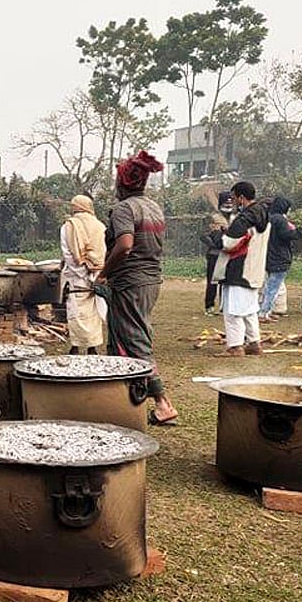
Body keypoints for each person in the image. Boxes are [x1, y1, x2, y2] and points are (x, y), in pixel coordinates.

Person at [101, 151, 179, 426]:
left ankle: (163, 403)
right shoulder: (154, 207)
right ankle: (121, 396)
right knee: (133, 333)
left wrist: (103, 274)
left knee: (134, 339)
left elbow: (124, 245)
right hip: (150, 280)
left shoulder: (125, 208)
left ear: (122, 184)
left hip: (130, 281)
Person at [213, 182, 270, 356]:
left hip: (238, 269)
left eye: (234, 197)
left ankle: (235, 346)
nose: (234, 201)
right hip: (254, 269)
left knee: (234, 311)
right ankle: (254, 343)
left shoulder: (244, 218)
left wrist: (216, 234)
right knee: (250, 310)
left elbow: (228, 244)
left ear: (241, 197)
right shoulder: (265, 217)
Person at [60, 194, 107, 354]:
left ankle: (76, 346)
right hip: (96, 275)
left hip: (75, 278)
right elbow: (104, 251)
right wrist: (94, 274)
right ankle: (92, 347)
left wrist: (81, 272)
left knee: (76, 311)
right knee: (93, 312)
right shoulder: (100, 226)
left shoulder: (69, 226)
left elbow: (68, 254)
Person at [258, 196, 302, 323]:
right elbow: (288, 235)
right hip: (279, 258)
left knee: (269, 286)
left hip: (269, 256)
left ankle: (267, 311)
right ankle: (263, 313)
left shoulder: (268, 218)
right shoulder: (280, 220)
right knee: (273, 287)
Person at [200, 212, 228, 315]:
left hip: (220, 256)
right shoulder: (214, 232)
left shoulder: (224, 231)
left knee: (220, 282)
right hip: (215, 257)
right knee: (215, 282)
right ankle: (212, 306)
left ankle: (217, 306)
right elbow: (204, 237)